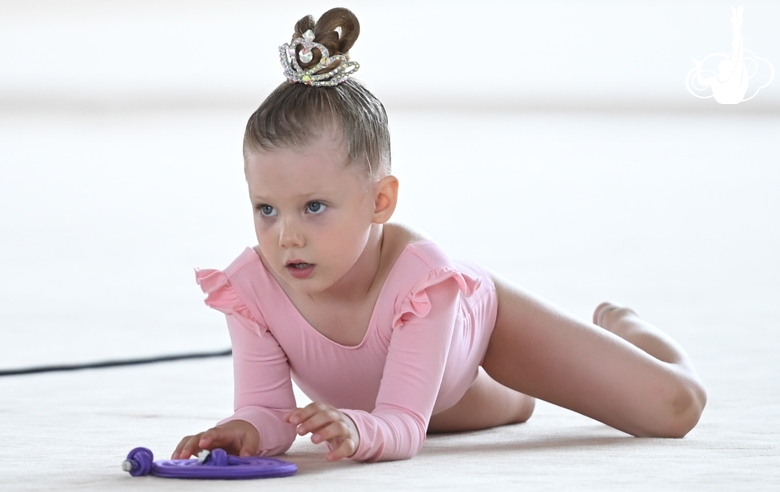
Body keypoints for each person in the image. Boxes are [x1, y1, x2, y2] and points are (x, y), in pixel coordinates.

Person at [172, 7, 706, 463]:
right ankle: (510, 392)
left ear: (380, 201)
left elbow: (403, 425)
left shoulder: (423, 283)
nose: (286, 236)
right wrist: (244, 431)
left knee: (674, 408)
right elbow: (269, 414)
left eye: (314, 207)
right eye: (266, 209)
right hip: (436, 392)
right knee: (513, 408)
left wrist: (362, 431)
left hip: (471, 330)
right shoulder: (252, 290)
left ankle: (626, 328)